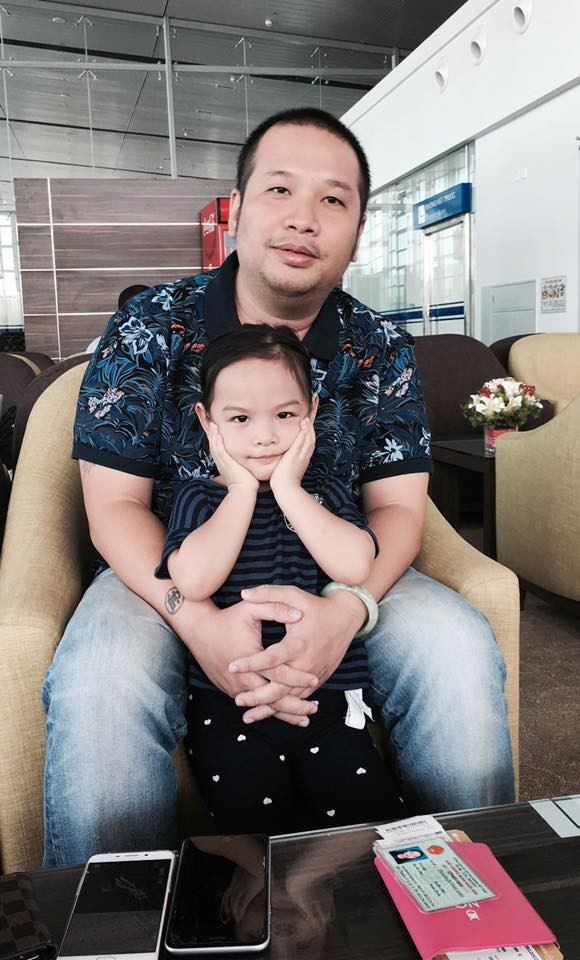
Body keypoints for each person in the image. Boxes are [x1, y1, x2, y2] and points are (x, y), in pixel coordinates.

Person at [42, 107, 514, 868]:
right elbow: (114, 507)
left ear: (357, 232)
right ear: (237, 208)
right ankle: (118, 921)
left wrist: (348, 611)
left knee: (455, 647)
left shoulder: (380, 346)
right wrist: (196, 620)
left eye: (333, 199)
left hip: (338, 562)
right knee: (101, 679)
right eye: (280, 190)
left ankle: (465, 903)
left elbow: (397, 507)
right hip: (170, 570)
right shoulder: (150, 326)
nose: (304, 218)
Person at [155, 323, 403, 833]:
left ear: (311, 412)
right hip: (231, 701)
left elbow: (354, 566)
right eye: (240, 418)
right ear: (207, 422)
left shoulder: (324, 492)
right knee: (250, 820)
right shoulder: (200, 497)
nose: (264, 435)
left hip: (326, 693)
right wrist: (242, 490)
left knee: (364, 816)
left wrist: (289, 487)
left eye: (285, 415)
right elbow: (194, 581)